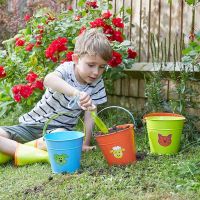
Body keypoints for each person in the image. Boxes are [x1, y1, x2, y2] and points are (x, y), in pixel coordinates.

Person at [0, 28, 113, 165]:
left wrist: (85, 143)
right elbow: (49, 79)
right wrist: (75, 93)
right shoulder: (67, 69)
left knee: (64, 141)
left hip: (58, 130)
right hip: (32, 124)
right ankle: (30, 150)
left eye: (102, 67)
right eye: (91, 65)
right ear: (76, 59)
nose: (96, 72)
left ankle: (19, 149)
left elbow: (90, 115)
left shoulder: (97, 84)